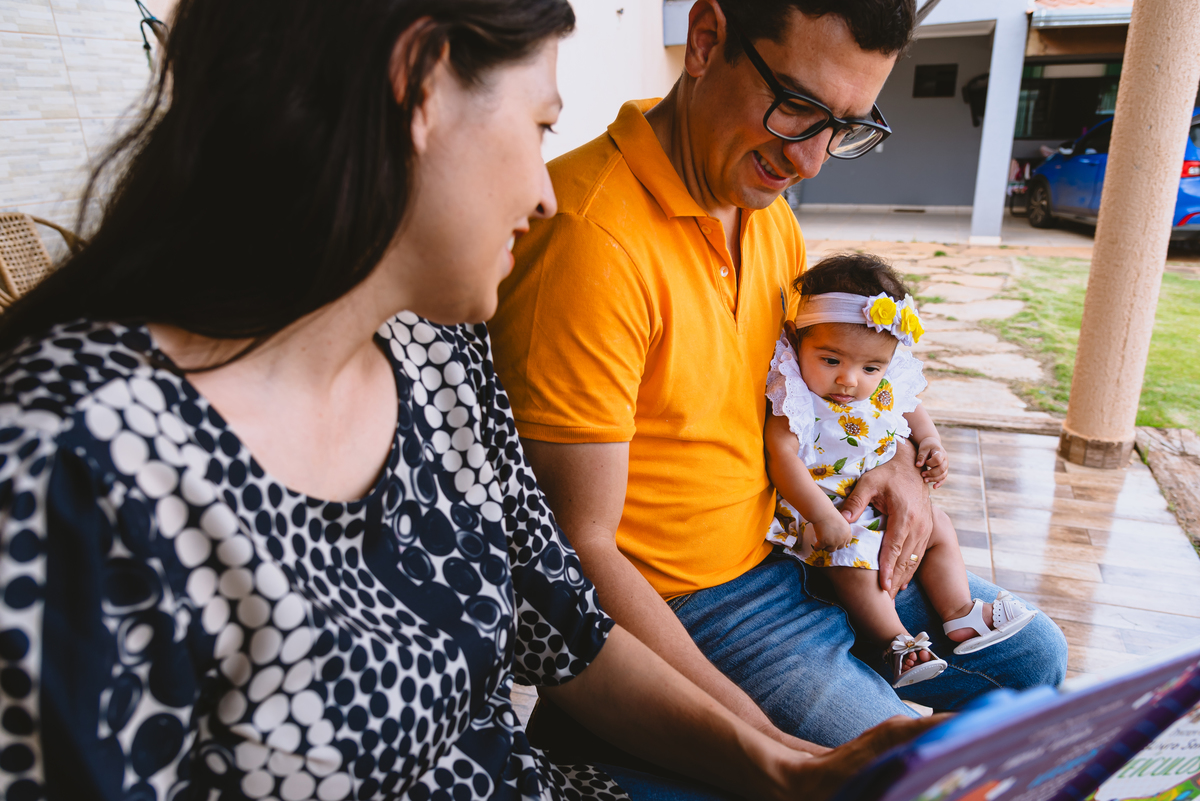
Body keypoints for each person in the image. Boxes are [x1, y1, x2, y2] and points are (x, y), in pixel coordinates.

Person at [0, 1, 942, 799]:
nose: (544, 192)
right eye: (539, 128)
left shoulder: (436, 354)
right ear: (419, 86)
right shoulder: (74, 460)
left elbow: (568, 627)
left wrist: (787, 769)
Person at [489, 0, 1068, 750]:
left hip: (794, 545)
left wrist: (894, 461)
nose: (812, 159)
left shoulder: (766, 213)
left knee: (1035, 655)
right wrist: (761, 743)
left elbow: (821, 378)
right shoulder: (588, 240)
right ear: (705, 41)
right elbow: (577, 549)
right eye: (798, 107)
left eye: (846, 126)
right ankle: (604, 757)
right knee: (887, 758)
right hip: (694, 602)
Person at [763, 254, 1038, 689]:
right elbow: (781, 457)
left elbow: (910, 408)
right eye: (831, 360)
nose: (850, 380)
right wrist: (821, 514)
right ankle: (897, 644)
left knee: (939, 528)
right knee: (853, 561)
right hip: (833, 509)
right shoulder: (795, 392)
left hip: (882, 501)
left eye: (870, 368)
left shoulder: (882, 378)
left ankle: (960, 613)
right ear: (799, 340)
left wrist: (929, 442)